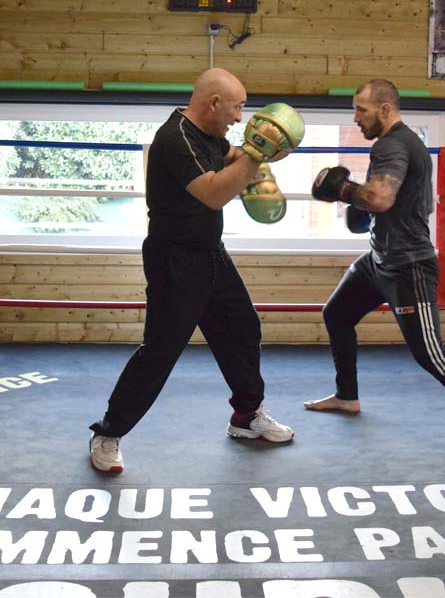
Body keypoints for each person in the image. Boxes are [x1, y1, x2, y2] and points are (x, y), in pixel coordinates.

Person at [89, 68, 303, 473]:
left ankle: (246, 416)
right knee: (161, 351)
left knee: (243, 328)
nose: (240, 118)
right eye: (237, 108)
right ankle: (108, 433)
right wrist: (257, 155)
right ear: (214, 103)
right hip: (175, 260)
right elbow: (213, 194)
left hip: (210, 254)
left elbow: (233, 156)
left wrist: (266, 155)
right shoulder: (175, 138)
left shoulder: (209, 137)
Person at [305, 78, 445, 460]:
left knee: (430, 354)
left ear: (385, 110)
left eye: (361, 111)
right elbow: (386, 202)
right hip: (379, 258)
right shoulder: (396, 143)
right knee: (336, 314)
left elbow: (380, 198)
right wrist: (357, 204)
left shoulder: (393, 143)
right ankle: (347, 396)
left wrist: (344, 190)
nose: (356, 118)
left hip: (408, 265)